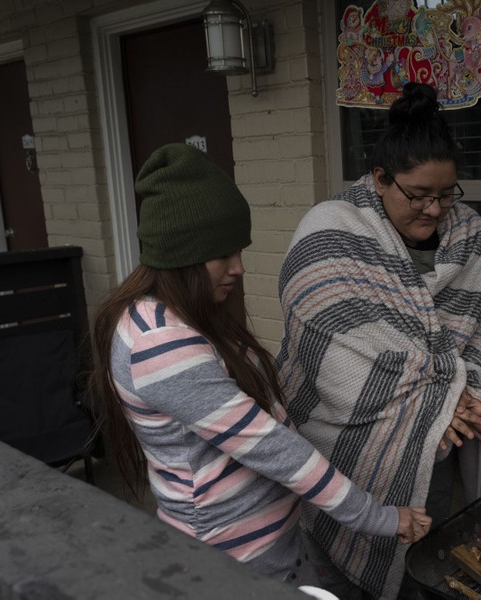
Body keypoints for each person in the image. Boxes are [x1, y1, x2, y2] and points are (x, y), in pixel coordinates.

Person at [89, 143, 431, 586]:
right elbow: (271, 447)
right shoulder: (162, 342)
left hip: (269, 547)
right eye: (223, 254)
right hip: (233, 561)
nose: (239, 268)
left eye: (240, 251)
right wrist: (380, 518)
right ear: (183, 254)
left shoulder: (176, 316)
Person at [276, 82, 481, 599]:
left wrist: (459, 393)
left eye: (446, 195)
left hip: (437, 448)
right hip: (344, 447)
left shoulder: (469, 233)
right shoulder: (331, 227)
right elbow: (325, 331)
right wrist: (438, 398)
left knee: (425, 564)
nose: (434, 210)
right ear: (381, 179)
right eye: (419, 195)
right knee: (342, 582)